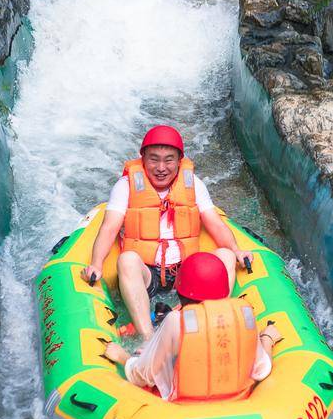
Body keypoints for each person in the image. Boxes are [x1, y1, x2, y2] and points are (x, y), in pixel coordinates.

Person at [82, 125, 254, 338]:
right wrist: (97, 264)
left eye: (169, 159)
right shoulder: (125, 186)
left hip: (187, 270)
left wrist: (237, 251)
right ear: (143, 158)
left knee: (226, 256)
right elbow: (109, 228)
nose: (161, 167)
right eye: (154, 159)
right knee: (126, 260)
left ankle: (202, 324)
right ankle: (148, 338)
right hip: (148, 273)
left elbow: (215, 223)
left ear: (179, 161)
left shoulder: (194, 185)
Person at [104, 252, 282, 401]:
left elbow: (145, 375)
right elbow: (262, 368)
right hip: (236, 401)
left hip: (184, 407)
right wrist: (266, 338)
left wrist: (124, 357)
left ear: (180, 296)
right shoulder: (244, 314)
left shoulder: (175, 322)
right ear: (225, 291)